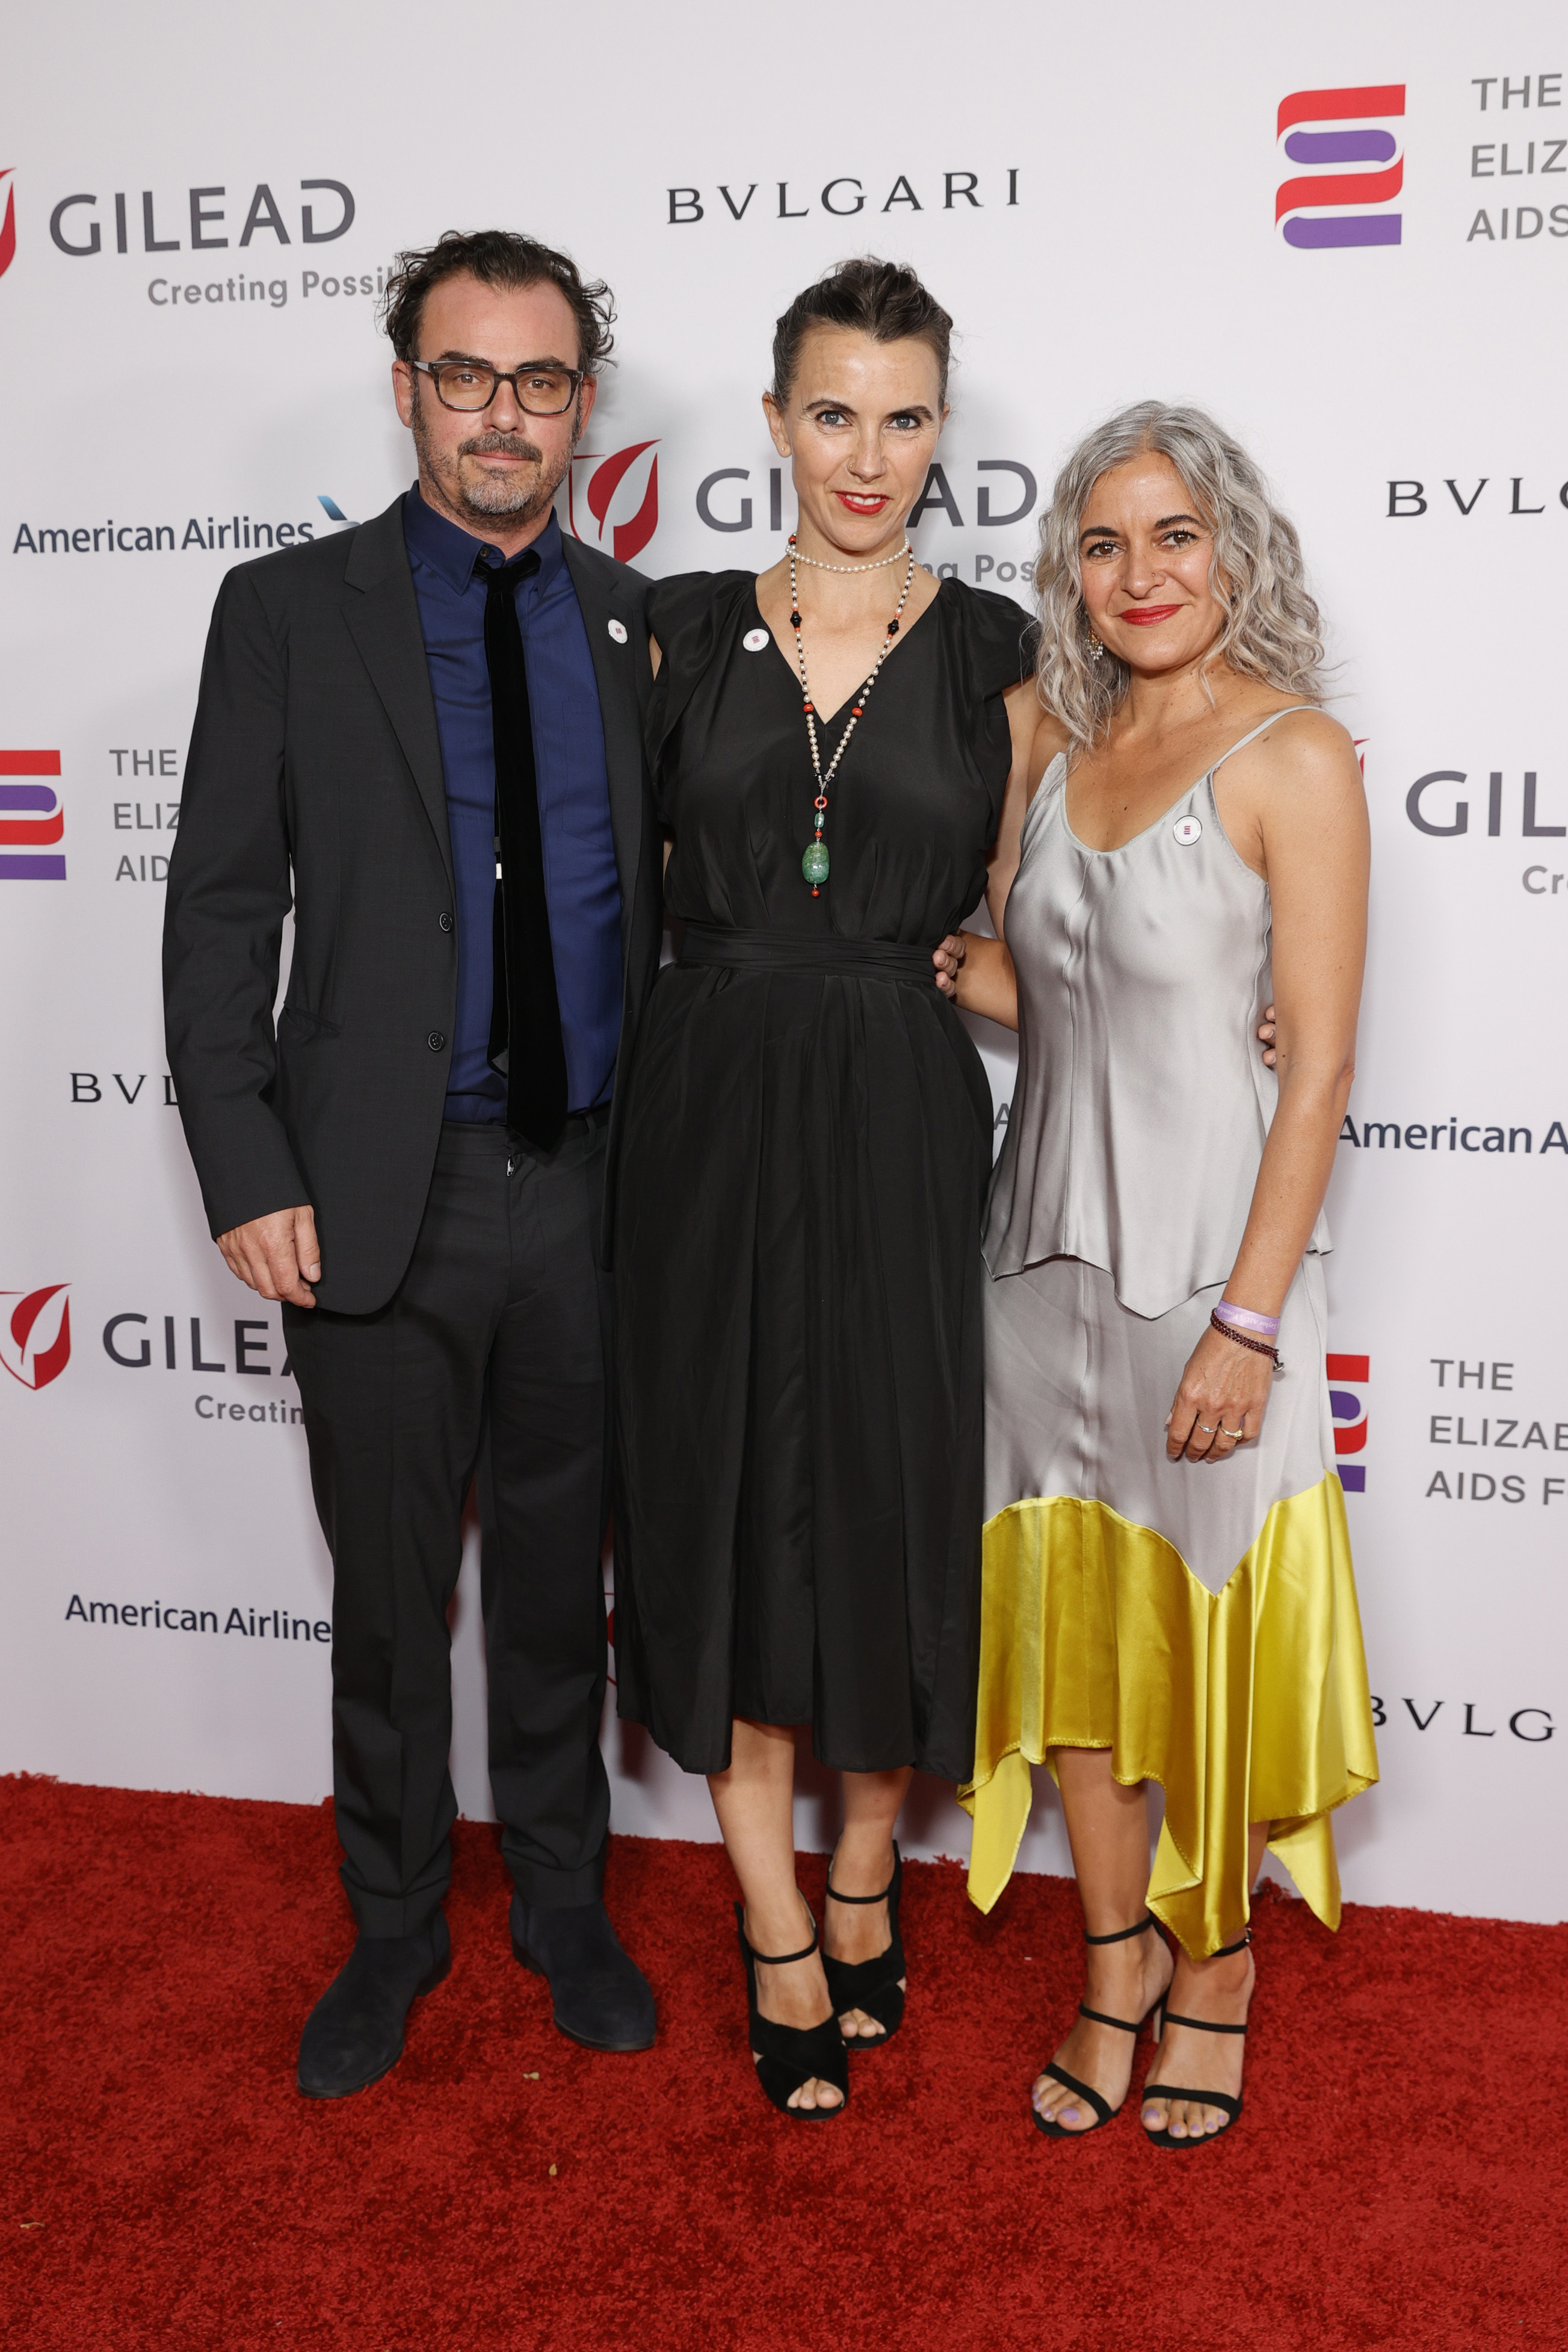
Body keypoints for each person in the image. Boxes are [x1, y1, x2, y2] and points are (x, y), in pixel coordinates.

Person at [163, 229, 664, 2099]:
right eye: (466, 376)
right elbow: (219, 913)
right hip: (381, 1197)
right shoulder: (288, 613)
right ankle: (392, 1925)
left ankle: (561, 1901)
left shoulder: (642, 621)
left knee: (558, 1583)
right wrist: (244, 1160)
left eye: (540, 382)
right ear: (406, 389)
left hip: (598, 1192)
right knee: (389, 1606)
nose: (502, 416)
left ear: (582, 405)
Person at [610, 259, 1039, 2117]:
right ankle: (774, 1914)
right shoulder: (675, 635)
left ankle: (869, 1863)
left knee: (884, 1488)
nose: (871, 454)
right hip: (701, 1109)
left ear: (943, 430)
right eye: (836, 412)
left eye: (908, 414)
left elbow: (1037, 936)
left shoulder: (1003, 654)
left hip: (898, 1105)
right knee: (716, 1490)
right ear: (776, 422)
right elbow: (597, 902)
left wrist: (1226, 1006)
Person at [948, 402, 1379, 2147]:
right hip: (1030, 1271)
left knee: (1213, 1651)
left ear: (1234, 547)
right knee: (1068, 1652)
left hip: (1211, 1288)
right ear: (1072, 568)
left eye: (1175, 534)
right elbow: (1022, 986)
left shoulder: (1298, 757)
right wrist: (856, 963)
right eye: (1106, 542)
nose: (1142, 573)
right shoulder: (1044, 737)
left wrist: (1251, 1324)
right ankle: (1114, 1955)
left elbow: (1326, 1068)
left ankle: (1217, 1972)